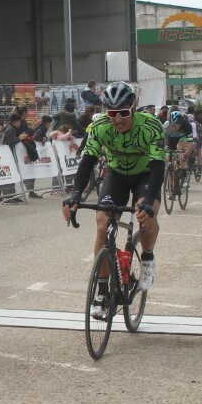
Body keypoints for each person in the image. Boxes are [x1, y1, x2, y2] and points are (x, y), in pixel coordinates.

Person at [61, 82, 164, 319]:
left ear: (134, 107)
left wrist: (148, 200)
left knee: (146, 215)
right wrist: (76, 194)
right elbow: (87, 161)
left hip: (146, 174)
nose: (118, 120)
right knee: (101, 224)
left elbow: (159, 166)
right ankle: (102, 291)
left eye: (123, 113)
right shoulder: (99, 126)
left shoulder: (151, 125)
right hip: (116, 175)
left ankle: (147, 257)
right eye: (112, 114)